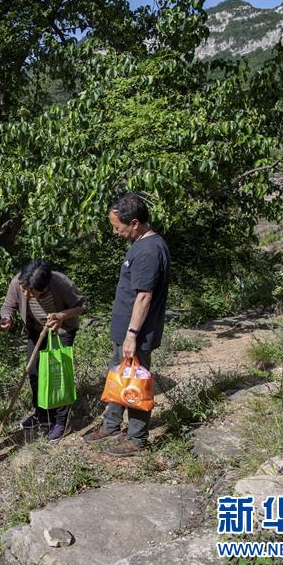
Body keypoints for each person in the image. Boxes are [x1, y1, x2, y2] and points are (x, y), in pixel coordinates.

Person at [83, 193, 170, 456]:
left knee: (135, 384)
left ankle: (137, 439)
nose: (114, 232)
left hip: (136, 334)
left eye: (117, 227)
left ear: (134, 223)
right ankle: (111, 424)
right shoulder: (140, 245)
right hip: (125, 333)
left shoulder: (149, 251)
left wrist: (132, 334)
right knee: (118, 377)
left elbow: (144, 296)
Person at [0, 259, 87, 441]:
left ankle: (62, 421)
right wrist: (7, 318)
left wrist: (62, 315)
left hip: (61, 331)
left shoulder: (61, 283)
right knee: (34, 372)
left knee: (58, 375)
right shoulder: (17, 282)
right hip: (36, 331)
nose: (27, 294)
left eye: (33, 292)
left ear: (45, 287)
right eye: (24, 290)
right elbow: (8, 306)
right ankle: (43, 414)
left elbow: (82, 306)